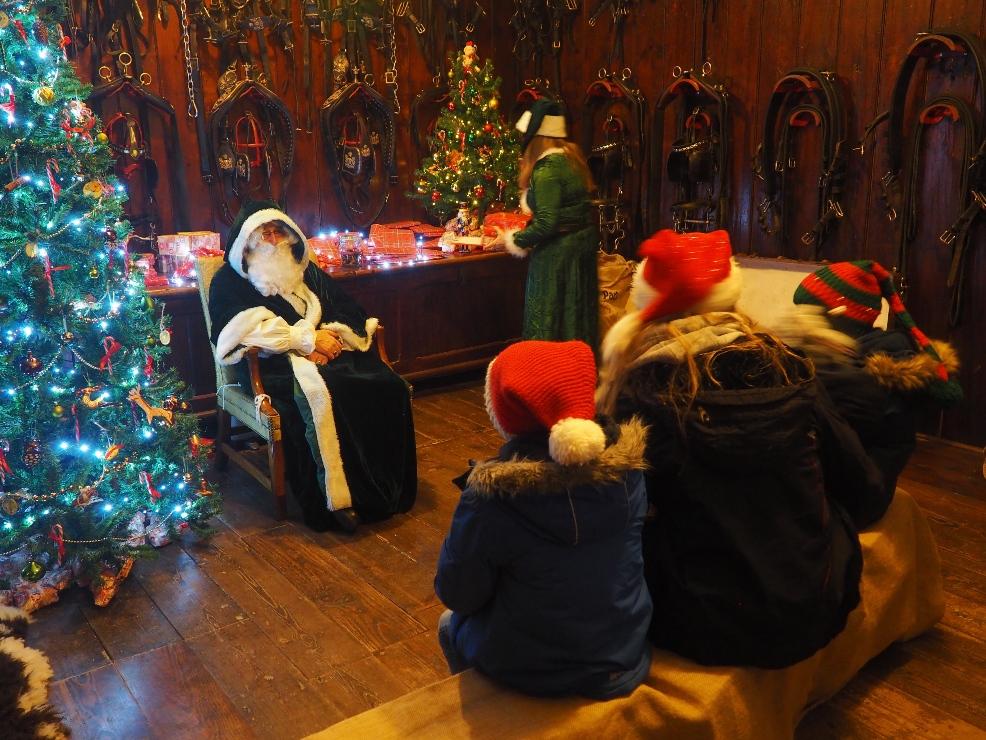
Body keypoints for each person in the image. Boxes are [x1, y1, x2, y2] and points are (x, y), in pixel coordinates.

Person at [596, 229, 883, 669]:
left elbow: (614, 524)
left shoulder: (636, 390)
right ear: (730, 297)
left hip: (697, 622)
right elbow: (863, 488)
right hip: (815, 607)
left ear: (643, 305)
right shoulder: (789, 366)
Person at [434, 340, 652, 699]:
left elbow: (458, 593)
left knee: (449, 625)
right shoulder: (629, 473)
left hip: (530, 671)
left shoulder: (493, 498)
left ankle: (493, 712)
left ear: (507, 417)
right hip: (624, 654)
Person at [208, 200, 416, 532]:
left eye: (278, 232)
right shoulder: (229, 282)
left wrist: (328, 337)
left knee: (386, 386)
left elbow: (348, 308)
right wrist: (305, 342)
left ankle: (387, 486)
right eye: (265, 233)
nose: (273, 240)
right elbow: (242, 333)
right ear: (247, 239)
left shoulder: (304, 270)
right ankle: (336, 499)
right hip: (273, 369)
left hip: (327, 356)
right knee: (332, 395)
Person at [776, 260, 961, 528]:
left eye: (811, 312)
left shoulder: (877, 370)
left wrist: (809, 352)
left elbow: (821, 408)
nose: (802, 318)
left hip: (859, 500)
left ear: (837, 316)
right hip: (840, 481)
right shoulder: (849, 357)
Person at [492, 99, 599, 349]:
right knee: (575, 317)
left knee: (550, 320)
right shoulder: (572, 160)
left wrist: (512, 240)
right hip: (579, 251)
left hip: (557, 258)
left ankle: (548, 376)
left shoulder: (547, 169)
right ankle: (579, 372)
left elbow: (547, 223)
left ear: (536, 138)